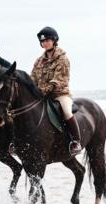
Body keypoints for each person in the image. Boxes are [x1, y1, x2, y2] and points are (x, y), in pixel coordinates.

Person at [31, 26, 82, 155]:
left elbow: (59, 79)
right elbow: (33, 77)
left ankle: (76, 141)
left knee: (66, 110)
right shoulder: (38, 61)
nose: (45, 43)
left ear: (54, 41)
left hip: (59, 94)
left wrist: (44, 90)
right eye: (43, 41)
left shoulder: (62, 58)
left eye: (47, 40)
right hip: (41, 95)